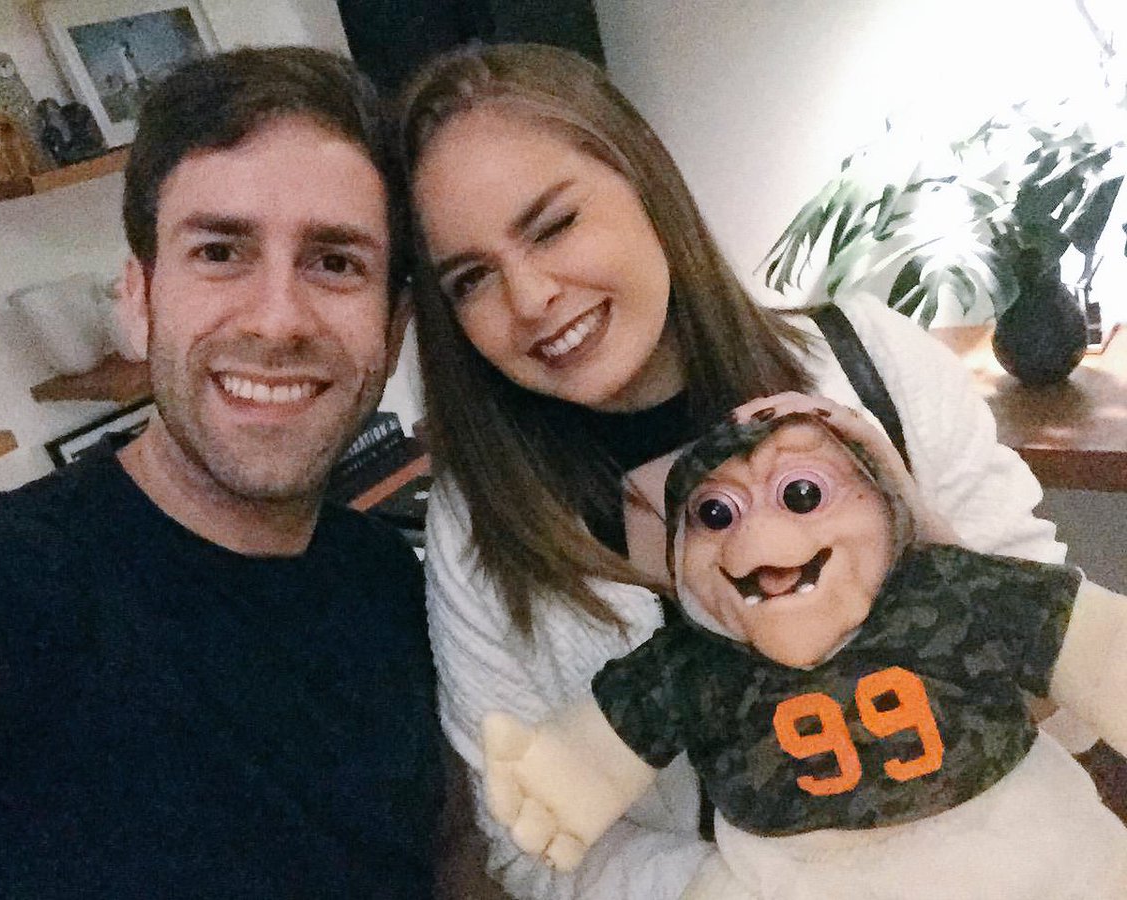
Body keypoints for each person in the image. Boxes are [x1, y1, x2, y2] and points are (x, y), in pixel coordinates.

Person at [395, 42, 1067, 900]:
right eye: (470, 279)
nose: (529, 298)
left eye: (553, 225)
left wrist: (927, 559)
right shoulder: (479, 522)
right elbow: (531, 846)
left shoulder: (874, 366)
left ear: (646, 183)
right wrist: (777, 887)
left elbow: (1065, 693)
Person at [0, 46, 443, 899]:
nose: (277, 321)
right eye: (220, 251)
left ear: (392, 333)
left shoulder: (389, 580)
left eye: (335, 262)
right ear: (138, 299)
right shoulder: (7, 578)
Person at [481, 407, 1127, 898]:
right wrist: (565, 781)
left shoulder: (951, 587)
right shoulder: (692, 661)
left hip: (1019, 854)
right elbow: (609, 744)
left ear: (883, 503)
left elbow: (1094, 651)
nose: (759, 537)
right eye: (716, 514)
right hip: (786, 875)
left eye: (801, 495)